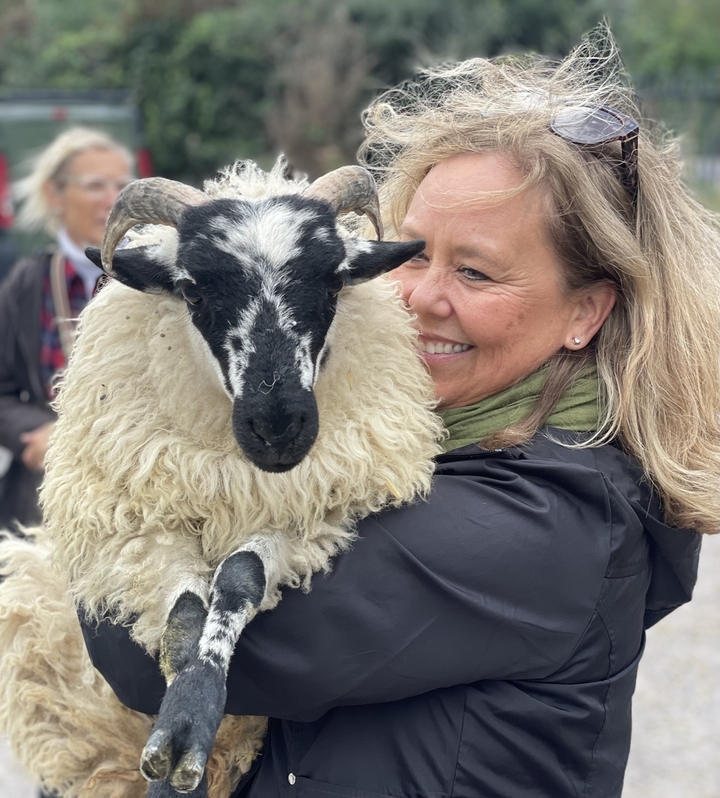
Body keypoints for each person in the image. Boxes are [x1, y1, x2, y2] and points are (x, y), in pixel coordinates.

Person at [80, 29, 720, 798]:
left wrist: (107, 489)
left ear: (584, 311)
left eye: (475, 271)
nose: (419, 298)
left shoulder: (546, 516)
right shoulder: (425, 443)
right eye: (412, 254)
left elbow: (157, 656)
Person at [0, 127, 134, 533]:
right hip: (56, 489)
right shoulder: (29, 283)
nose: (113, 200)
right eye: (94, 185)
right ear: (55, 195)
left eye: (123, 185)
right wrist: (37, 432)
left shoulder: (163, 280)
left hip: (149, 478)